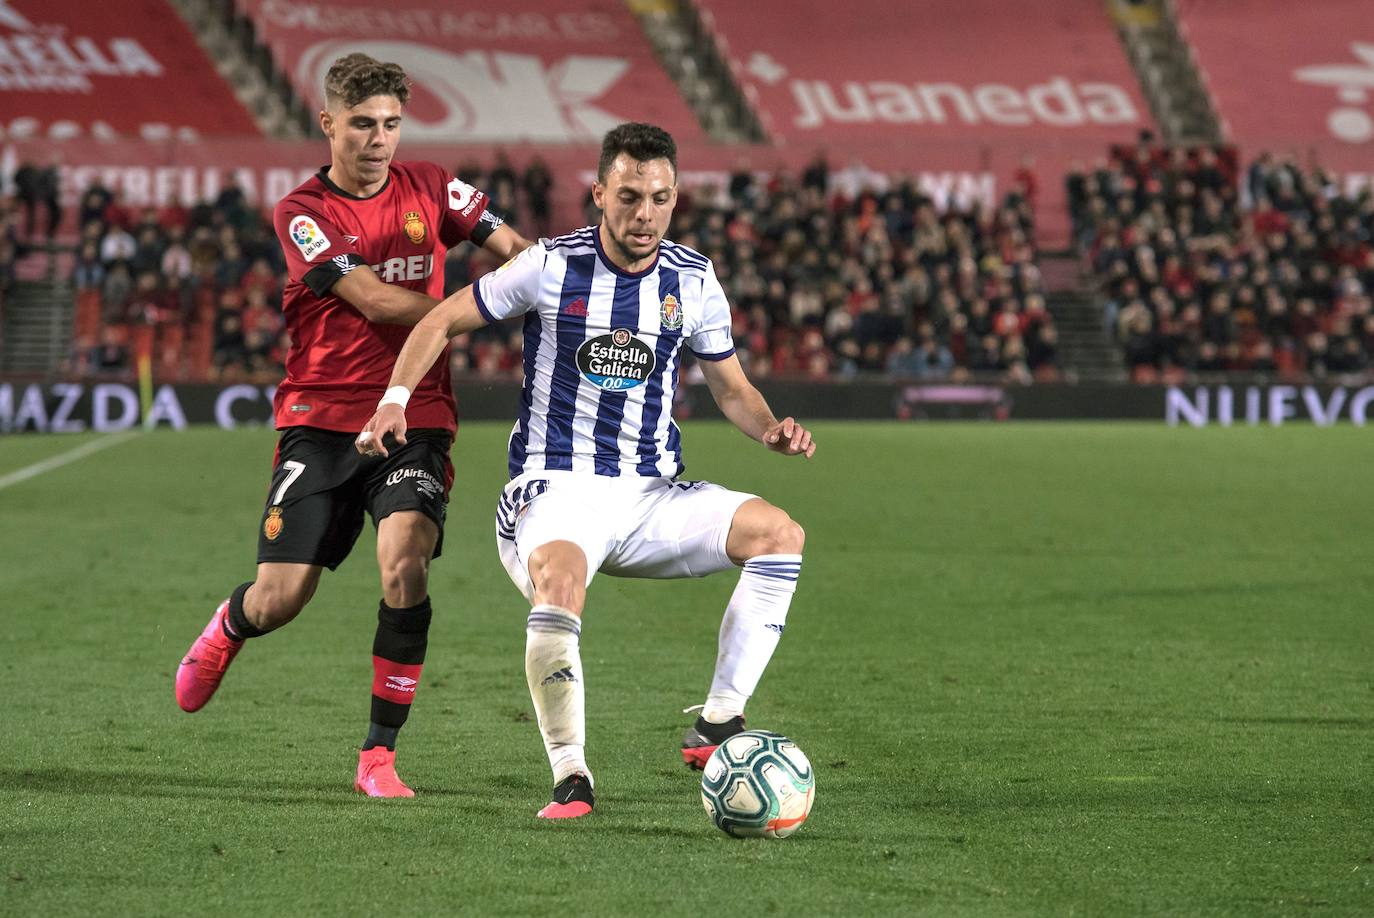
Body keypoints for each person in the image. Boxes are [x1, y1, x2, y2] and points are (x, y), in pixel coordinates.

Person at [356, 122, 815, 819]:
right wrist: (394, 399)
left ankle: (719, 721)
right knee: (563, 581)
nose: (645, 214)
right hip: (555, 489)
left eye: (659, 198)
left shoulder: (693, 279)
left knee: (780, 535)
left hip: (652, 495)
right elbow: (439, 321)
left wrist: (770, 428)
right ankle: (571, 775)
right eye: (629, 196)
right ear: (599, 194)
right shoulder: (549, 265)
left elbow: (731, 389)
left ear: (675, 197)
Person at [173, 53, 531, 797]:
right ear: (329, 124)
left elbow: (519, 255)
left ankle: (378, 754)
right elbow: (372, 298)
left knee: (406, 561)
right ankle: (232, 625)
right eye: (363, 124)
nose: (379, 139)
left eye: (392, 124)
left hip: (415, 412)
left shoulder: (434, 186)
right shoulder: (302, 212)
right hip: (321, 417)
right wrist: (480, 308)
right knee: (281, 598)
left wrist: (550, 283)